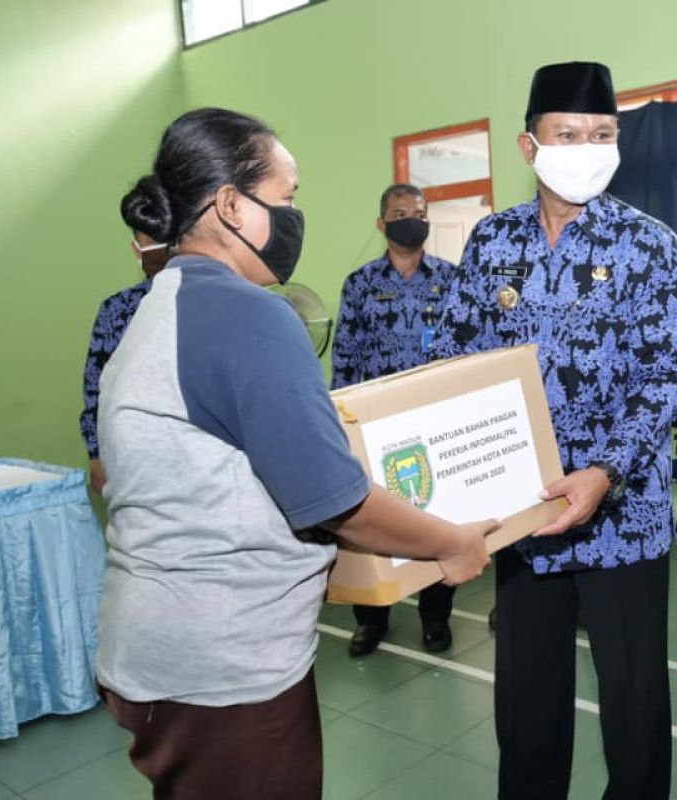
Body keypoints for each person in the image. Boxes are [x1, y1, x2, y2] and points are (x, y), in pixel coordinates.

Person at [95, 107, 494, 799]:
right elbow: (337, 499)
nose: (292, 218)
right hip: (224, 667)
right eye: (287, 198)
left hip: (159, 650)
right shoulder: (251, 315)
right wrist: (451, 543)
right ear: (230, 205)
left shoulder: (164, 303)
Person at [432, 62, 677, 799]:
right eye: (569, 133)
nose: (587, 147)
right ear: (529, 145)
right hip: (525, 516)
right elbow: (453, 367)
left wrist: (604, 473)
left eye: (603, 134)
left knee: (635, 708)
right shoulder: (491, 244)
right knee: (527, 708)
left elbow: (665, 378)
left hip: (625, 517)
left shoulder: (651, 247)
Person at [331, 184, 458, 657]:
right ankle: (371, 619)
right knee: (372, 524)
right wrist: (341, 424)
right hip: (375, 425)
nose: (413, 219)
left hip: (435, 419)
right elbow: (345, 360)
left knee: (439, 519)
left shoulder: (452, 280)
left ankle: (435, 617)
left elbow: (467, 351)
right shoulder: (360, 285)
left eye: (420, 213)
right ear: (382, 224)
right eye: (402, 213)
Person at [79, 225, 169, 492]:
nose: (162, 247)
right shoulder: (118, 309)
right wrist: (95, 454)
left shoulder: (210, 301)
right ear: (137, 250)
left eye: (168, 237)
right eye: (152, 240)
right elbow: (96, 384)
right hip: (136, 454)